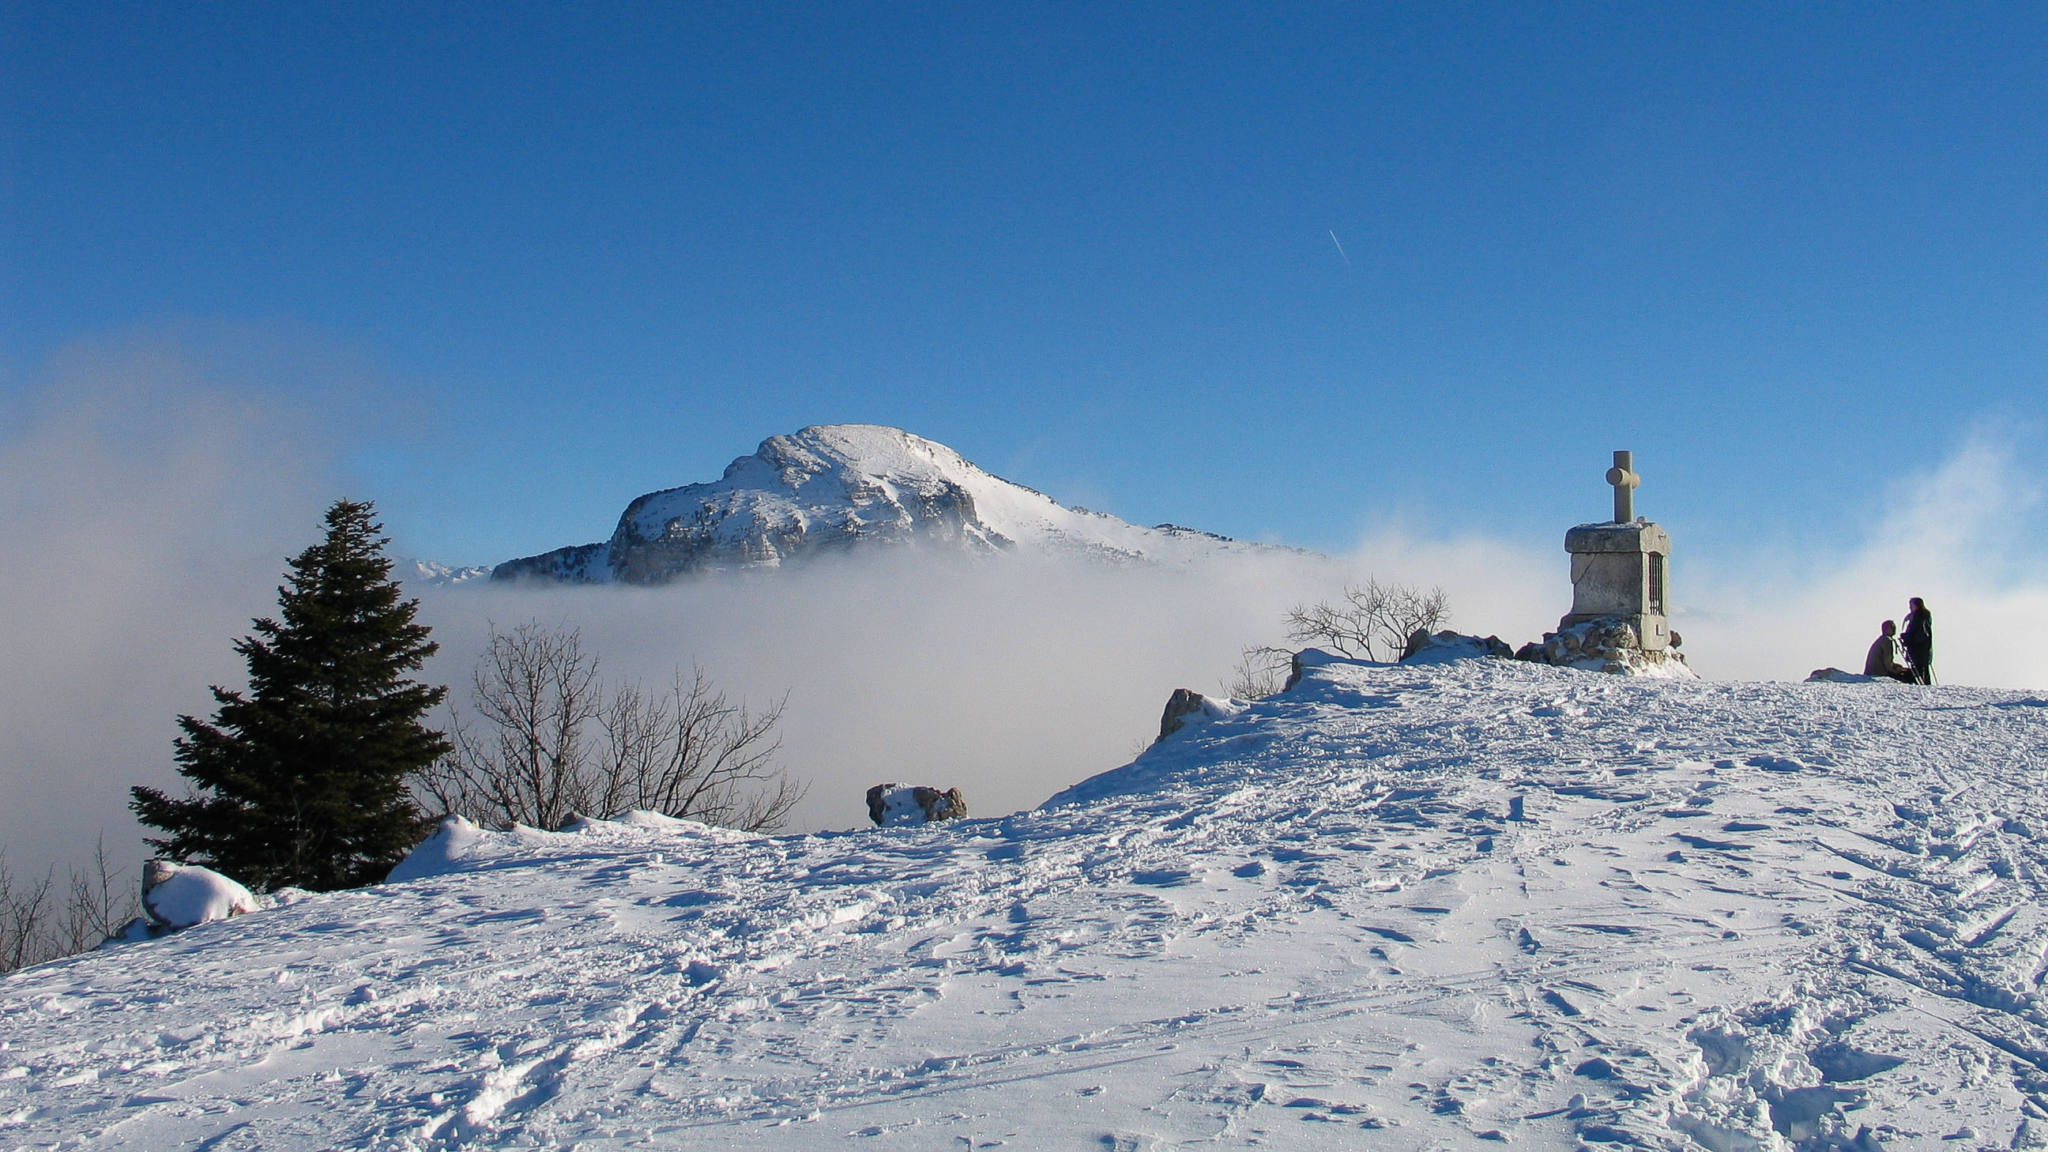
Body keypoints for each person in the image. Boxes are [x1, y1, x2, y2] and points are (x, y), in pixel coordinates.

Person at [1901, 596, 1934, 685]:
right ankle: (1926, 686)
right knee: (1924, 670)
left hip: (1918, 650)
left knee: (1918, 670)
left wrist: (1906, 637)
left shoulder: (1918, 618)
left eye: (1911, 605)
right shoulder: (1924, 617)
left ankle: (1920, 686)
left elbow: (1916, 633)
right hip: (1924, 650)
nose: (1910, 607)